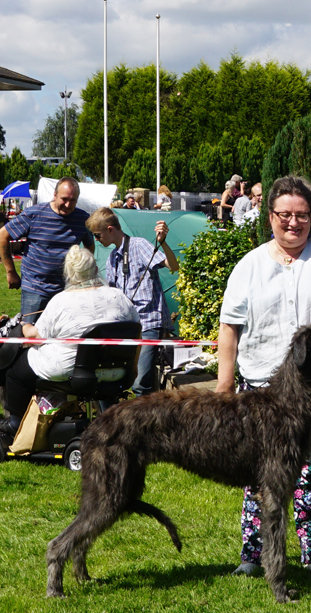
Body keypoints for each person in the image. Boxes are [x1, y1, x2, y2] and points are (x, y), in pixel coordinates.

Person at [217, 175, 311, 581]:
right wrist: (224, 386)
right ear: (270, 216)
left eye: (302, 215)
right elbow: (230, 327)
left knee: (310, 467)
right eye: (285, 215)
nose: (293, 223)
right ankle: (253, 552)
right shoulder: (250, 264)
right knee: (258, 471)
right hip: (260, 383)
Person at [0, 245, 138, 436]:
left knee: (16, 370)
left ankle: (16, 422)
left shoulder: (61, 300)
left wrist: (21, 326)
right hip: (117, 372)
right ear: (96, 269)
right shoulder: (119, 296)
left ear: (68, 273)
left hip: (73, 372)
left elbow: (36, 336)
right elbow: (137, 330)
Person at [87, 207, 180, 397]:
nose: (96, 240)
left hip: (149, 322)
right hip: (127, 325)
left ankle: (144, 424)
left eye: (98, 235)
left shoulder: (139, 245)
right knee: (115, 382)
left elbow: (173, 266)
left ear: (110, 229)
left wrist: (163, 244)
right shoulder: (112, 258)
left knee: (140, 384)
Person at [0, 176, 95, 323]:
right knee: (30, 338)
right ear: (55, 195)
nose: (68, 204)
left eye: (73, 200)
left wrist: (82, 272)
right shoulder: (34, 214)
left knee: (62, 338)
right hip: (35, 289)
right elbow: (3, 235)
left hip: (67, 290)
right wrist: (11, 272)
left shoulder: (82, 219)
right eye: (64, 199)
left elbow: (89, 246)